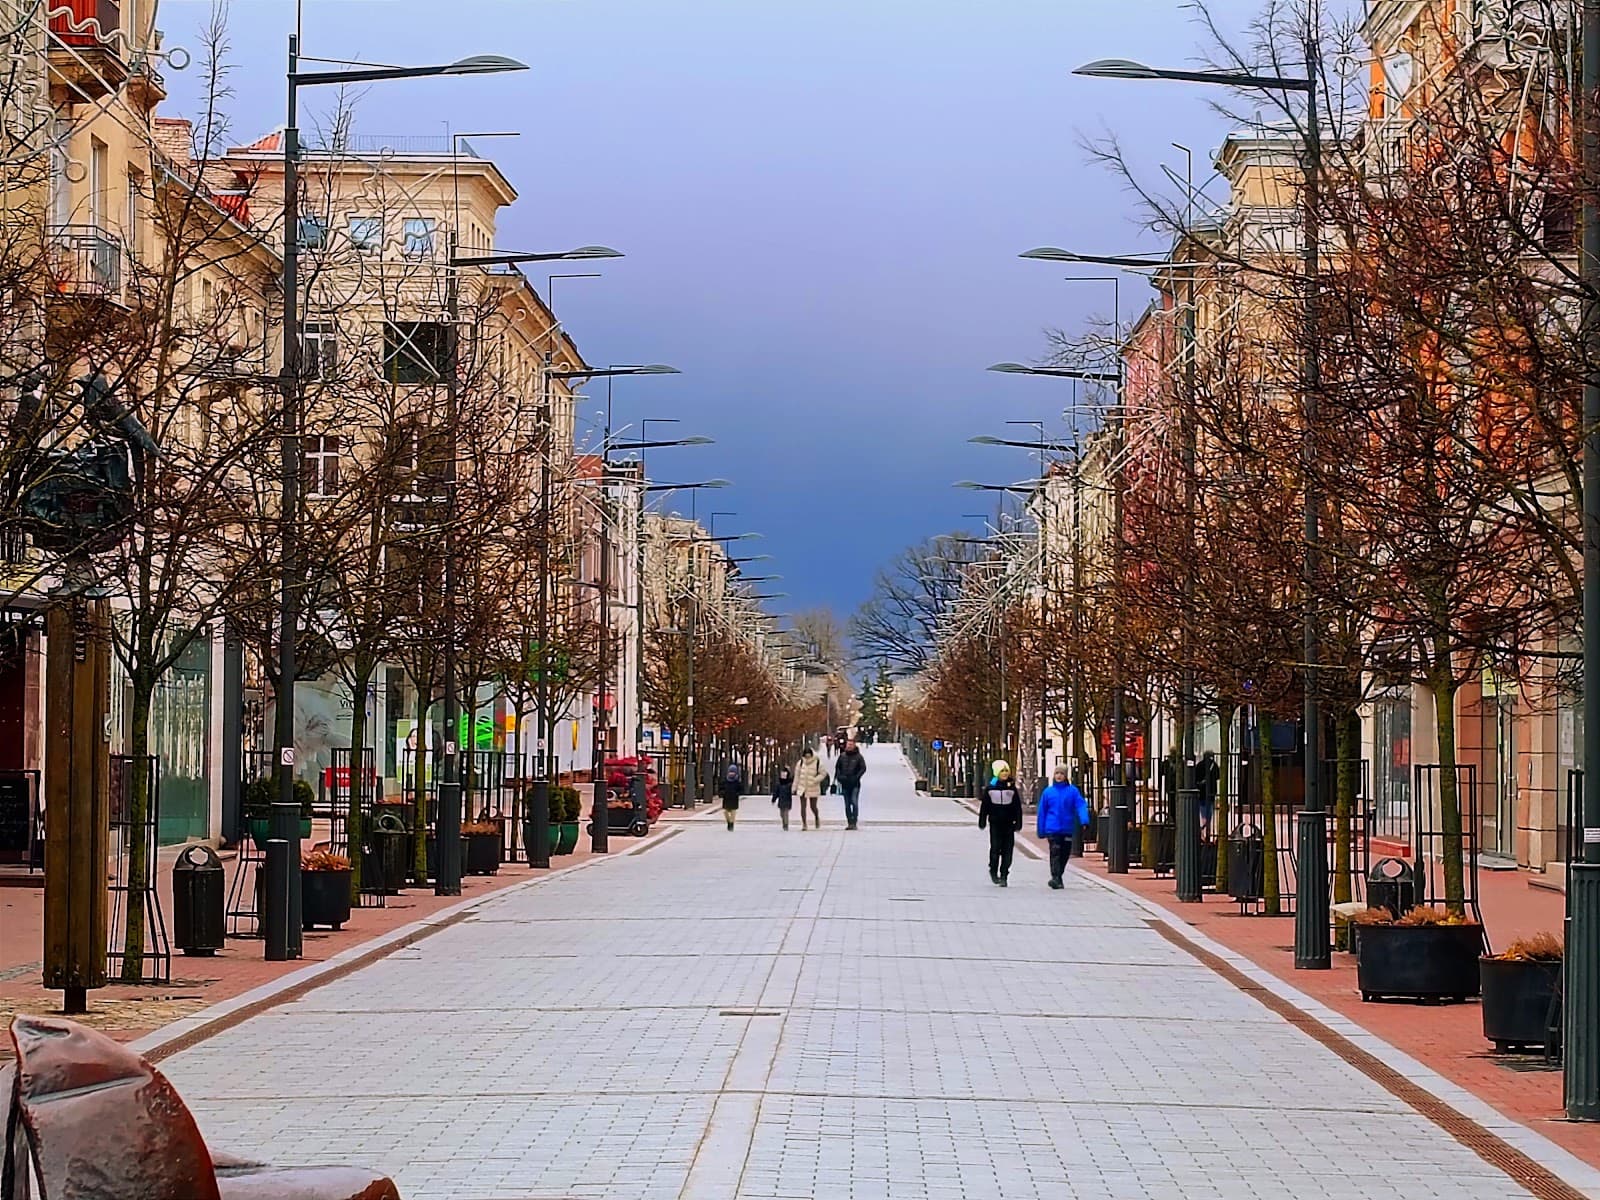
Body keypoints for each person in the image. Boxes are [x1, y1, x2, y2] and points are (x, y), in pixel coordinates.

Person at [1037, 765, 1090, 889]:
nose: (1059, 776)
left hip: (1067, 828)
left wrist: (1084, 820)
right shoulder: (1048, 792)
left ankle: (1059, 875)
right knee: (1055, 852)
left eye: (1061, 773)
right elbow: (1042, 812)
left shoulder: (1072, 791)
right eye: (1057, 773)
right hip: (1052, 828)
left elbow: (1080, 805)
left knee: (1065, 853)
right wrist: (1041, 830)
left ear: (1066, 776)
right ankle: (1055, 877)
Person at [979, 760, 1023, 886]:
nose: (1004, 773)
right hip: (995, 824)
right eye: (1002, 771)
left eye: (1006, 771)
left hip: (1009, 824)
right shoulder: (990, 788)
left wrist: (1018, 822)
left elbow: (1017, 807)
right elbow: (985, 806)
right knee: (995, 849)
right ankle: (993, 870)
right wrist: (982, 820)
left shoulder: (1012, 788)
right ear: (996, 773)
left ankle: (1004, 874)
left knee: (1007, 851)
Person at [834, 738, 867, 829]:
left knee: (854, 802)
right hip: (845, 784)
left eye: (851, 745)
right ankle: (850, 822)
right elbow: (837, 768)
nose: (849, 746)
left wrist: (856, 777)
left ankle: (854, 820)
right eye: (848, 745)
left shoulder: (859, 757)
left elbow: (863, 768)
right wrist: (839, 777)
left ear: (854, 745)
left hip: (855, 784)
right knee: (847, 804)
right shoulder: (842, 756)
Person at [793, 746, 826, 829]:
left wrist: (815, 780)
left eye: (809, 756)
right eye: (806, 756)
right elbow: (797, 776)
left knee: (813, 806)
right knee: (803, 807)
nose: (807, 758)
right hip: (802, 787)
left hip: (813, 787)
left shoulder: (817, 762)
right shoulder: (800, 763)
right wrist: (794, 787)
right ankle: (804, 824)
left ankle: (817, 817)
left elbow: (823, 773)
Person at [1196, 750, 1220, 839]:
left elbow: (1196, 778)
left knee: (1203, 813)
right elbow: (1218, 776)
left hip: (1201, 792)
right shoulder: (1214, 765)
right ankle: (1208, 832)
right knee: (1209, 813)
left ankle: (1203, 831)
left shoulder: (1199, 765)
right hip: (1211, 793)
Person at [719, 760, 745, 831]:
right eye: (730, 772)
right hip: (726, 798)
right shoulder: (725, 781)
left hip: (734, 799)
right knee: (725, 812)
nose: (731, 773)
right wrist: (722, 793)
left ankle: (731, 824)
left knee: (733, 813)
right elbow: (721, 788)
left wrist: (737, 793)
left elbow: (741, 789)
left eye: (733, 772)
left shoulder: (737, 781)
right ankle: (729, 822)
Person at [772, 765, 795, 830]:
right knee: (782, 814)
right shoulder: (779, 784)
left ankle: (786, 825)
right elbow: (776, 792)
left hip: (787, 801)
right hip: (781, 801)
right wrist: (774, 799)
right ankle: (784, 823)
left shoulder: (789, 784)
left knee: (786, 813)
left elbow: (793, 788)